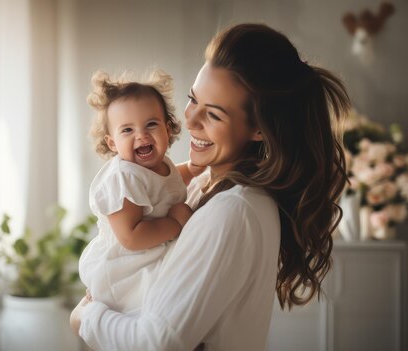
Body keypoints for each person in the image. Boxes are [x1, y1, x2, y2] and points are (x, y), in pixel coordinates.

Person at [70, 23, 350, 351]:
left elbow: (157, 343)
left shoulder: (234, 210)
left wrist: (86, 317)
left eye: (214, 115)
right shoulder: (204, 184)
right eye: (193, 99)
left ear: (258, 129)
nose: (189, 121)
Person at [79, 70, 202, 315]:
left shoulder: (158, 165)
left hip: (147, 255)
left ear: (167, 129)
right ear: (112, 143)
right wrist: (176, 223)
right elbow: (131, 237)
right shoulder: (123, 178)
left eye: (151, 124)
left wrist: (191, 169)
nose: (141, 135)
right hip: (124, 269)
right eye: (127, 130)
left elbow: (163, 184)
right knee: (151, 309)